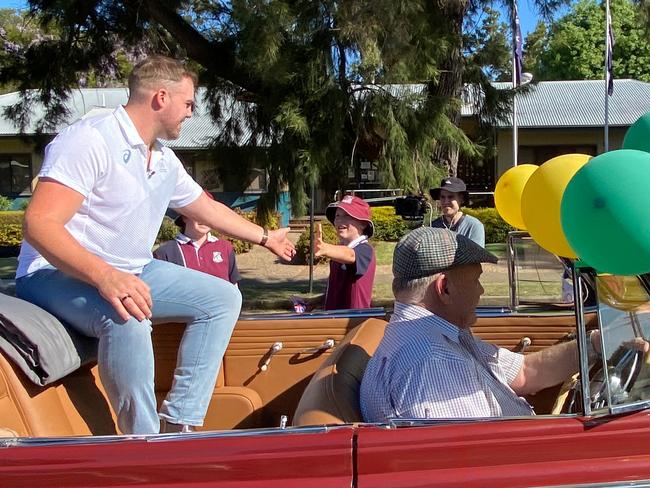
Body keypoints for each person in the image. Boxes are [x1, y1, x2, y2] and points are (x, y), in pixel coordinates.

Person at [15, 55, 295, 435]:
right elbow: (39, 224)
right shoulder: (90, 139)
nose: (190, 114)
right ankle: (144, 441)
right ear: (161, 98)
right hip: (52, 274)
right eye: (189, 104)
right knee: (129, 316)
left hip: (130, 269)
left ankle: (178, 422)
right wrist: (105, 276)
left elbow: (206, 208)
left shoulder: (163, 159)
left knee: (223, 298)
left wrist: (266, 238)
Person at [360, 227, 595, 422]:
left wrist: (595, 345)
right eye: (476, 280)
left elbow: (524, 372)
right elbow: (475, 456)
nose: (481, 290)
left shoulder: (440, 333)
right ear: (445, 288)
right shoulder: (432, 358)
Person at [154, 192, 240, 285]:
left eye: (209, 214)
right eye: (199, 213)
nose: (204, 219)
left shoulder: (225, 248)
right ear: (185, 217)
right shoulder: (165, 252)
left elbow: (234, 287)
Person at [315, 195, 376, 310]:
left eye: (347, 216)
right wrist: (314, 302)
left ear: (363, 223)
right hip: (335, 322)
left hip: (353, 323)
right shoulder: (339, 251)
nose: (339, 220)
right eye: (337, 216)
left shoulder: (365, 249)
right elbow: (335, 291)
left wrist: (325, 248)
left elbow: (351, 255)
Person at [430, 177, 485, 247]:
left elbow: (477, 256)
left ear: (461, 199)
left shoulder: (473, 226)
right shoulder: (433, 226)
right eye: (442, 197)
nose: (446, 201)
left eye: (450, 197)